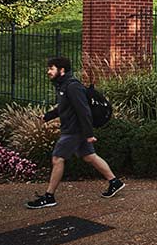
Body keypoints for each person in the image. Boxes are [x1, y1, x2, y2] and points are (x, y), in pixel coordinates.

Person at [26, 56, 125, 209]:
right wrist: (47, 117)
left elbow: (83, 110)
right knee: (89, 157)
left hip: (73, 130)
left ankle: (49, 196)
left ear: (62, 70)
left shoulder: (72, 87)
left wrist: (89, 134)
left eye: (51, 69)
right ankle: (114, 182)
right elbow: (64, 108)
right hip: (74, 129)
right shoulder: (63, 86)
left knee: (57, 159)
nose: (48, 72)